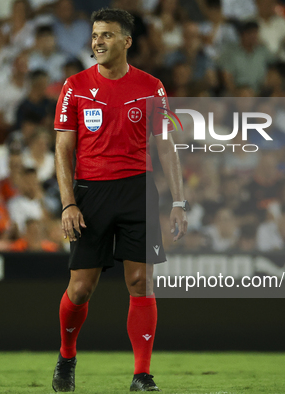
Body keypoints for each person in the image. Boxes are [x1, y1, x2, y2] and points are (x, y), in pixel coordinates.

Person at [52, 8, 187, 392]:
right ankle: (66, 356)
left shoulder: (151, 86)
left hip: (137, 190)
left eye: (107, 35)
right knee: (80, 289)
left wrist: (179, 202)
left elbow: (166, 146)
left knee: (141, 281)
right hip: (90, 193)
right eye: (95, 35)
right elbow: (63, 150)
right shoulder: (75, 85)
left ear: (127, 42)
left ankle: (141, 375)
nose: (98, 41)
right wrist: (67, 203)